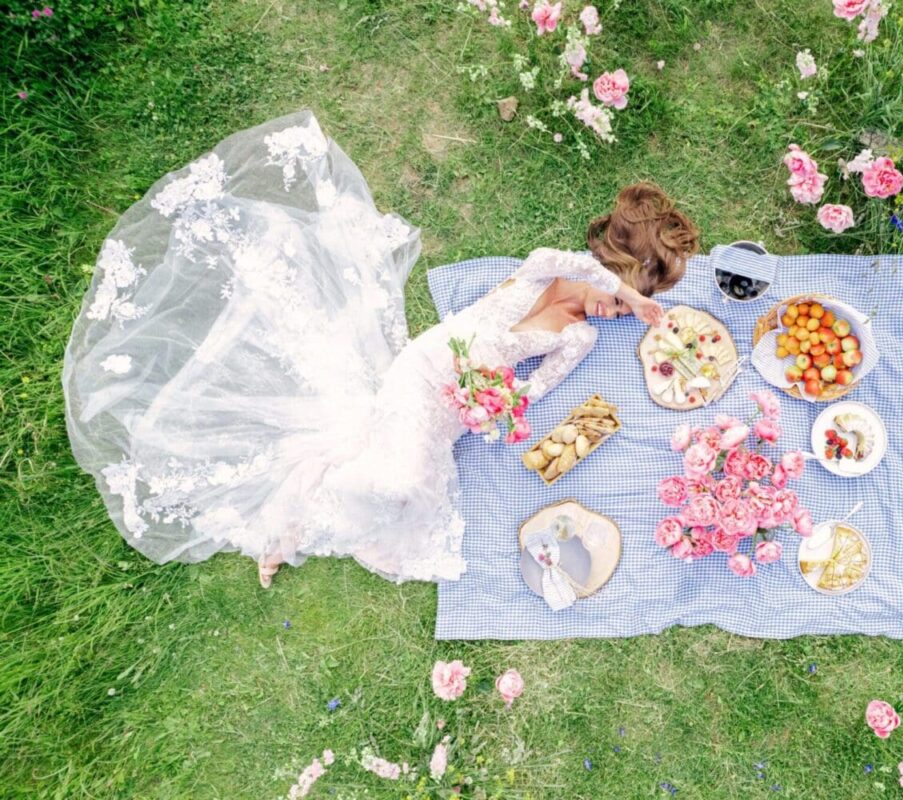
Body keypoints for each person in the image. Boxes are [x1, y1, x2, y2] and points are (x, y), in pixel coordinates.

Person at [62, 111, 700, 587]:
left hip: (459, 404)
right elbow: (561, 259)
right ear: (607, 266)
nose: (614, 311)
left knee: (404, 488)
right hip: (424, 368)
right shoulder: (545, 269)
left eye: (624, 307)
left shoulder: (582, 337)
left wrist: (502, 402)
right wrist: (628, 293)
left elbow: (536, 389)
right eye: (617, 297)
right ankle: (299, 503)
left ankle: (308, 493)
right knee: (395, 485)